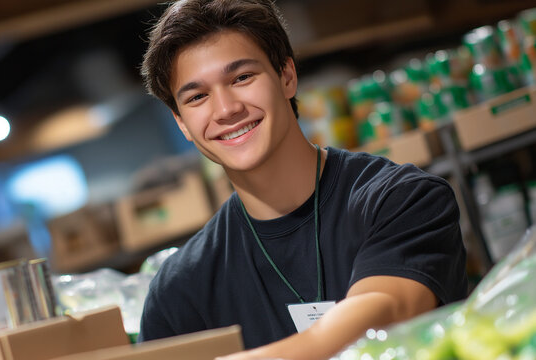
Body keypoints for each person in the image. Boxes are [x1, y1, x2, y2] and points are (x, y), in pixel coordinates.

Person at [137, 0, 468, 359]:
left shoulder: (402, 200)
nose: (226, 109)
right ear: (182, 123)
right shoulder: (179, 292)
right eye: (198, 96)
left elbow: (385, 311)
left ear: (287, 76)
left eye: (242, 78)